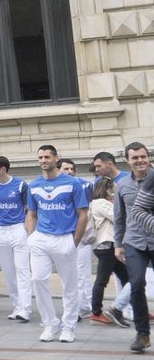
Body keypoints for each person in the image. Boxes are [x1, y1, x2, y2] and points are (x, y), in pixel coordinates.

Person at [27, 145, 89, 343]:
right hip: (41, 239)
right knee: (37, 280)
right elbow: (32, 213)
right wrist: (30, 237)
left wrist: (74, 242)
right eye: (40, 157)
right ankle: (50, 323)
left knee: (69, 286)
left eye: (47, 156)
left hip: (65, 239)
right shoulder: (34, 185)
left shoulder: (72, 184)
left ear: (56, 158)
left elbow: (83, 215)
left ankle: (68, 326)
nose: (43, 160)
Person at [0, 156, 32, 322]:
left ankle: (25, 308)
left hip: (18, 229)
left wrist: (25, 230)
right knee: (9, 272)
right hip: (0, 232)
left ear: (3, 169)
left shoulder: (20, 185)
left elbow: (29, 210)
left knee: (22, 270)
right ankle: (16, 306)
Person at [116, 142, 153, 352]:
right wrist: (117, 245)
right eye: (135, 158)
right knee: (136, 284)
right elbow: (120, 217)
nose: (140, 161)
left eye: (143, 156)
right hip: (134, 242)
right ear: (128, 161)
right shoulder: (122, 185)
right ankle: (142, 334)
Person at [89, 177, 129, 325]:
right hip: (106, 246)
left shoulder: (104, 203)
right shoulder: (100, 203)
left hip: (110, 246)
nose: (116, 191)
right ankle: (96, 312)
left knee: (129, 280)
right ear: (105, 188)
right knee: (102, 280)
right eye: (114, 188)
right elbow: (118, 217)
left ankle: (135, 309)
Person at [61, 159, 95, 319]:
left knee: (83, 272)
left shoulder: (86, 185)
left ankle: (84, 306)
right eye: (65, 168)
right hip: (63, 235)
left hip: (81, 236)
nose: (69, 171)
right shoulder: (56, 186)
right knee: (67, 274)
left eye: (71, 168)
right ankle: (72, 305)